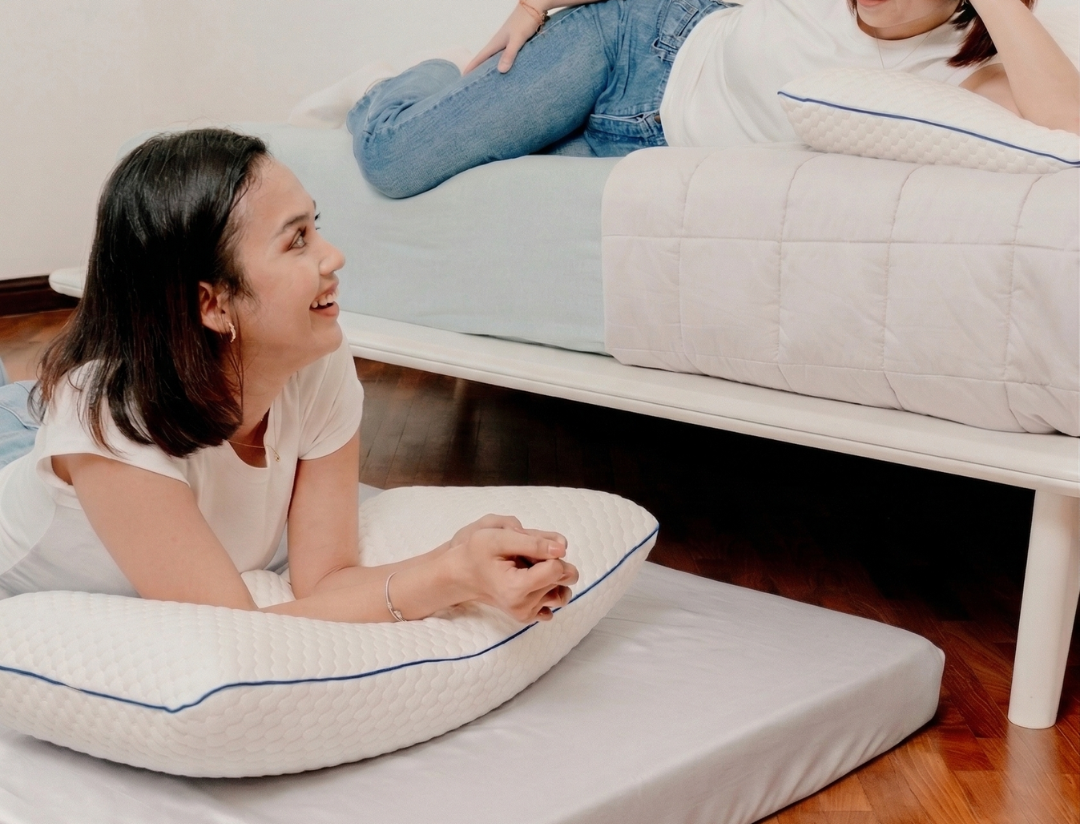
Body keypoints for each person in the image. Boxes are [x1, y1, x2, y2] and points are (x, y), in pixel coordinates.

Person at [0, 129, 578, 622]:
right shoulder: (108, 420)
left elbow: (326, 580)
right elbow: (235, 630)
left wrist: (460, 560)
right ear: (213, 304)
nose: (333, 256)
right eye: (297, 239)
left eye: (315, 227)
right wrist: (446, 578)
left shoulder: (318, 362)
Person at [349, 0, 1080, 199]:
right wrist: (539, 5)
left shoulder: (964, 69)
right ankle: (402, 81)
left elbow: (1068, 127)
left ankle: (450, 89)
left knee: (474, 182)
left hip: (645, 146)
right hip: (629, 49)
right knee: (394, 160)